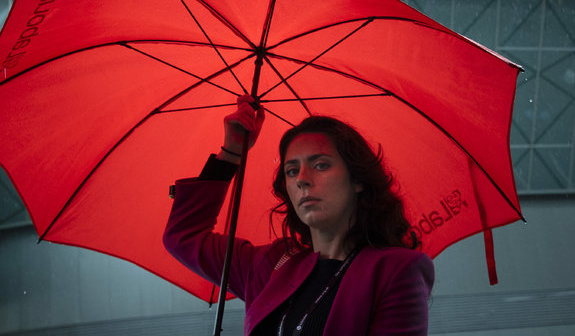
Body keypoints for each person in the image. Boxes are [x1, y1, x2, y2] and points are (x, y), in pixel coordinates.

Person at [163, 95, 434, 335]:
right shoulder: (271, 264)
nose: (302, 179)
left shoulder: (397, 270)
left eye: (320, 165)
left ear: (357, 179)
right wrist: (231, 153)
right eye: (292, 170)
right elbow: (184, 237)